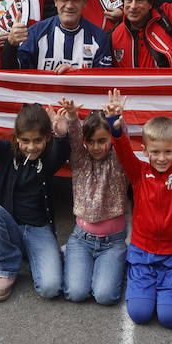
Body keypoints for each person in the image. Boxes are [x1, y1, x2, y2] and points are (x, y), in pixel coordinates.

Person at [0, 93, 70, 301]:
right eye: (25, 140)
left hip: (39, 229)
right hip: (11, 227)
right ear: (17, 138)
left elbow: (61, 153)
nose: (31, 146)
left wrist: (62, 135)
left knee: (50, 288)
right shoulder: (4, 155)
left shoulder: (48, 160)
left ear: (47, 138)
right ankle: (7, 267)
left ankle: (46, 254)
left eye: (38, 140)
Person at [107, 103, 172, 329]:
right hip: (143, 255)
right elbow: (123, 153)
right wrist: (115, 130)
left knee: (170, 318)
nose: (161, 158)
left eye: (167, 152)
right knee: (140, 314)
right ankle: (140, 278)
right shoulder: (139, 173)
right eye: (155, 152)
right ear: (144, 151)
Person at [57, 92, 129, 306]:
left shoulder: (118, 161)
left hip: (113, 242)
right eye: (92, 141)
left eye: (102, 141)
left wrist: (116, 120)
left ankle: (113, 264)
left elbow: (121, 141)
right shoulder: (80, 161)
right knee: (77, 293)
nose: (97, 146)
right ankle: (68, 254)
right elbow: (75, 138)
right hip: (82, 240)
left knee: (104, 296)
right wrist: (72, 117)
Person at [16, 0, 115, 71]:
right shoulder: (36, 33)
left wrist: (74, 75)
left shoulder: (99, 38)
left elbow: (102, 80)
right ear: (55, 2)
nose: (69, 6)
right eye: (64, 0)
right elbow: (17, 69)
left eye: (75, 0)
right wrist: (10, 45)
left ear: (85, 3)